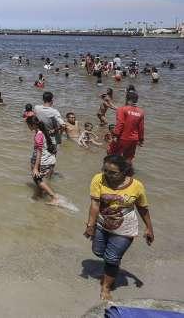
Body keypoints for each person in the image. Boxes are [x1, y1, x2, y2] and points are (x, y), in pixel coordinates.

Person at [84, 154, 153, 300]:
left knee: (112, 257)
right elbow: (95, 204)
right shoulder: (98, 179)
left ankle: (106, 287)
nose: (108, 175)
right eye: (105, 170)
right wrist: (90, 225)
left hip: (125, 227)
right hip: (102, 223)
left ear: (124, 172)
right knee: (97, 252)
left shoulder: (137, 186)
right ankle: (113, 264)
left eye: (113, 173)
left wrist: (149, 228)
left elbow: (142, 208)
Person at [25, 116, 59, 205]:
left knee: (37, 179)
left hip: (43, 161)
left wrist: (36, 168)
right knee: (39, 180)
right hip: (49, 160)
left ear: (32, 125)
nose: (28, 127)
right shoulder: (43, 132)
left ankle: (54, 197)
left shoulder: (38, 135)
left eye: (28, 125)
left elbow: (39, 152)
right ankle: (39, 195)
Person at [109, 91, 144, 163]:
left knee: (111, 153)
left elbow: (120, 123)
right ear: (136, 100)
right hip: (134, 139)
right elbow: (141, 128)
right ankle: (127, 172)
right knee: (128, 157)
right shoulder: (141, 112)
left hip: (122, 138)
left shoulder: (122, 109)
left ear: (127, 99)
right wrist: (141, 140)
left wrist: (115, 135)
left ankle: (112, 171)